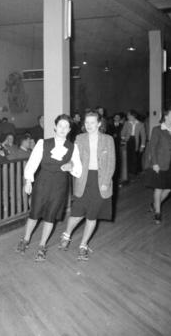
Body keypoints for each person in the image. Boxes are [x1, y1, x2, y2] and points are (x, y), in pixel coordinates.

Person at [16, 114, 82, 261]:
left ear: (70, 129)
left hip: (59, 185)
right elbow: (32, 163)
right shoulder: (43, 143)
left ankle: (42, 245)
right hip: (42, 182)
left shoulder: (73, 147)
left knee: (50, 216)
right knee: (34, 213)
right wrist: (28, 182)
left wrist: (71, 166)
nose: (63, 129)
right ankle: (25, 239)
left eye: (66, 127)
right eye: (60, 126)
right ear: (55, 127)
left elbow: (78, 169)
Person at [59, 110, 115, 261]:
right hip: (83, 179)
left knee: (93, 214)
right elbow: (74, 158)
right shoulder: (79, 138)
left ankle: (83, 245)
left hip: (100, 180)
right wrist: (69, 165)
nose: (89, 125)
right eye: (87, 122)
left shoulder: (108, 139)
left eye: (92, 122)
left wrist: (105, 182)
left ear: (99, 124)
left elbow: (111, 163)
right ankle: (67, 234)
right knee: (78, 211)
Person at [145, 107, 171, 224]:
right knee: (159, 188)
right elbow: (152, 147)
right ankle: (158, 213)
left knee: (168, 189)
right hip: (160, 163)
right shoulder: (157, 130)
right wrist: (155, 163)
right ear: (166, 116)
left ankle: (154, 204)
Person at [121, 109, 146, 177]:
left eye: (128, 115)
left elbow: (143, 136)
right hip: (128, 140)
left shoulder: (140, 124)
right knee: (128, 156)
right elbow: (123, 132)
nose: (127, 116)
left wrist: (142, 146)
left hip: (136, 140)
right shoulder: (126, 123)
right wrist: (123, 139)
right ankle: (129, 172)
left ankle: (134, 172)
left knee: (135, 157)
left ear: (133, 115)